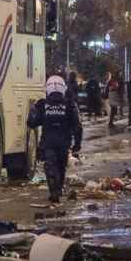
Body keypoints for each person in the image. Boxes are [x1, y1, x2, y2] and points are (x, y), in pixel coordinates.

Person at [27, 76, 82, 204]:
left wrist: (33, 109)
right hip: (64, 142)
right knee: (61, 166)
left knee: (51, 166)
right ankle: (58, 189)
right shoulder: (69, 104)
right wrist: (77, 144)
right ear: (63, 88)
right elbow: (77, 126)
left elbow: (31, 123)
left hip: (48, 142)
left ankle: (54, 192)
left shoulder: (42, 104)